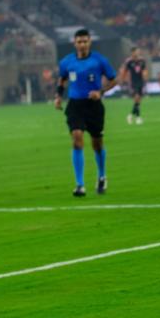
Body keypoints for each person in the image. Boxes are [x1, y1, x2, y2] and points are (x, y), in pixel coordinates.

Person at [55, 27, 118, 197]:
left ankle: (102, 175)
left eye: (85, 41)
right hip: (75, 106)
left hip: (94, 106)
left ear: (89, 42)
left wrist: (101, 92)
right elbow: (62, 78)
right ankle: (80, 184)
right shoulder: (67, 62)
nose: (82, 44)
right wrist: (58, 97)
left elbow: (114, 80)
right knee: (77, 138)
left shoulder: (99, 60)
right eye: (79, 42)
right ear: (74, 43)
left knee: (97, 144)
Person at [122, 46, 148, 125]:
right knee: (136, 98)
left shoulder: (142, 60)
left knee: (138, 101)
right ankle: (138, 118)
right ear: (132, 53)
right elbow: (124, 71)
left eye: (137, 51)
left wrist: (145, 76)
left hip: (141, 81)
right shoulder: (129, 61)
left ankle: (131, 116)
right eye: (135, 52)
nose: (137, 53)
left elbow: (145, 70)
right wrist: (124, 79)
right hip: (133, 82)